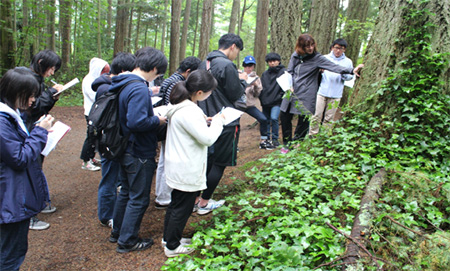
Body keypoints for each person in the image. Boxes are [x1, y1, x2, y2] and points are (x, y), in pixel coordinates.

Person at [108, 47, 168, 253]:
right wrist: (157, 119)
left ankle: (117, 232)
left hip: (124, 146)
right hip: (138, 150)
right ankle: (127, 241)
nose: (157, 78)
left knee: (125, 192)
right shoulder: (139, 88)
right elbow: (137, 121)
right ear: (153, 68)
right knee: (139, 198)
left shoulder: (122, 83)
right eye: (158, 74)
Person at [163, 70, 225, 257]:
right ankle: (172, 246)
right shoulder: (190, 111)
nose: (210, 95)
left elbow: (190, 128)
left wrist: (203, 121)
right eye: (209, 92)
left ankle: (169, 238)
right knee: (182, 208)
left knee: (176, 204)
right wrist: (218, 122)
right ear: (199, 92)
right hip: (186, 166)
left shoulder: (181, 106)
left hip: (177, 164)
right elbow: (207, 138)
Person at [0, 68, 55, 270]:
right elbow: (19, 158)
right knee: (10, 255)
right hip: (8, 198)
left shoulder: (12, 115)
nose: (33, 100)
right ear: (15, 92)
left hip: (10, 195)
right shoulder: (2, 121)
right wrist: (40, 132)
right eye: (30, 95)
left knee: (13, 250)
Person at [280, 34, 363, 153]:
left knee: (303, 119)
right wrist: (289, 85)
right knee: (284, 115)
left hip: (307, 92)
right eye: (307, 46)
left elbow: (335, 67)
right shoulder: (296, 55)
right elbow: (290, 71)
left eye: (312, 45)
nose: (310, 48)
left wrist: (352, 70)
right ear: (301, 46)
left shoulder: (317, 58)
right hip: (291, 90)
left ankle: (298, 144)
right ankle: (287, 144)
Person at [196, 33, 248, 215]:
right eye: (238, 51)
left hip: (205, 118)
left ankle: (195, 199)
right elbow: (236, 94)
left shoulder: (203, 63)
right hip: (225, 120)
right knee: (219, 162)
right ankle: (204, 202)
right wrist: (243, 80)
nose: (236, 55)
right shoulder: (227, 65)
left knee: (206, 160)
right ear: (233, 46)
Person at [18, 49, 63, 230]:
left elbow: (39, 108)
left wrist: (52, 97)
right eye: (51, 68)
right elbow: (32, 109)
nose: (52, 73)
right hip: (28, 131)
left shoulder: (36, 80)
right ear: (41, 62)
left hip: (34, 128)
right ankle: (29, 215)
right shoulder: (27, 80)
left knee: (36, 168)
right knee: (29, 171)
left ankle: (38, 203)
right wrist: (51, 92)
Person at [91, 52, 136, 229]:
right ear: (124, 70)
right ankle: (106, 215)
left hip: (114, 139)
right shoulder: (107, 89)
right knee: (108, 178)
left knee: (115, 177)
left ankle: (113, 211)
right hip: (109, 140)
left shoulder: (111, 85)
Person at [154, 56, 202, 209]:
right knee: (166, 160)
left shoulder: (169, 79)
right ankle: (164, 197)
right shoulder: (178, 83)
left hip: (165, 124)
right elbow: (174, 105)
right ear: (188, 71)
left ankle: (161, 195)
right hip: (169, 125)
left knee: (163, 160)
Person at [309, 39, 364, 135]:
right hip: (321, 92)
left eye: (341, 49)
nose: (338, 51)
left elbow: (349, 77)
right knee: (316, 115)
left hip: (336, 94)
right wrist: (320, 72)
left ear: (344, 50)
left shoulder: (347, 62)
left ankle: (324, 137)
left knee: (329, 118)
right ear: (332, 47)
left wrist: (343, 74)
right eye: (336, 48)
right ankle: (312, 136)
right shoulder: (325, 58)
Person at [80, 57, 110, 171]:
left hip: (97, 112)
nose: (106, 73)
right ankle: (86, 160)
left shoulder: (97, 79)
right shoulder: (89, 80)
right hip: (91, 112)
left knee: (97, 136)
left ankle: (91, 157)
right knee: (91, 136)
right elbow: (95, 97)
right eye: (104, 71)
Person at [241, 55, 271, 150]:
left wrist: (255, 86)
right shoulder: (238, 74)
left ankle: (264, 141)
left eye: (250, 66)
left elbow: (257, 94)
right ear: (243, 66)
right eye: (246, 66)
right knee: (235, 124)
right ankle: (233, 145)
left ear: (253, 66)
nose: (248, 68)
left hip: (249, 105)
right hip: (238, 104)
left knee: (263, 119)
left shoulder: (256, 78)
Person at [260, 52, 286, 148]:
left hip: (277, 101)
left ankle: (275, 139)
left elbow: (285, 87)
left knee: (274, 118)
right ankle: (267, 139)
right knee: (266, 120)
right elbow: (261, 87)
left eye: (274, 61)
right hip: (266, 101)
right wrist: (262, 98)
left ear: (278, 61)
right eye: (270, 61)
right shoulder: (265, 74)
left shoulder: (283, 72)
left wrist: (280, 97)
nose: (272, 63)